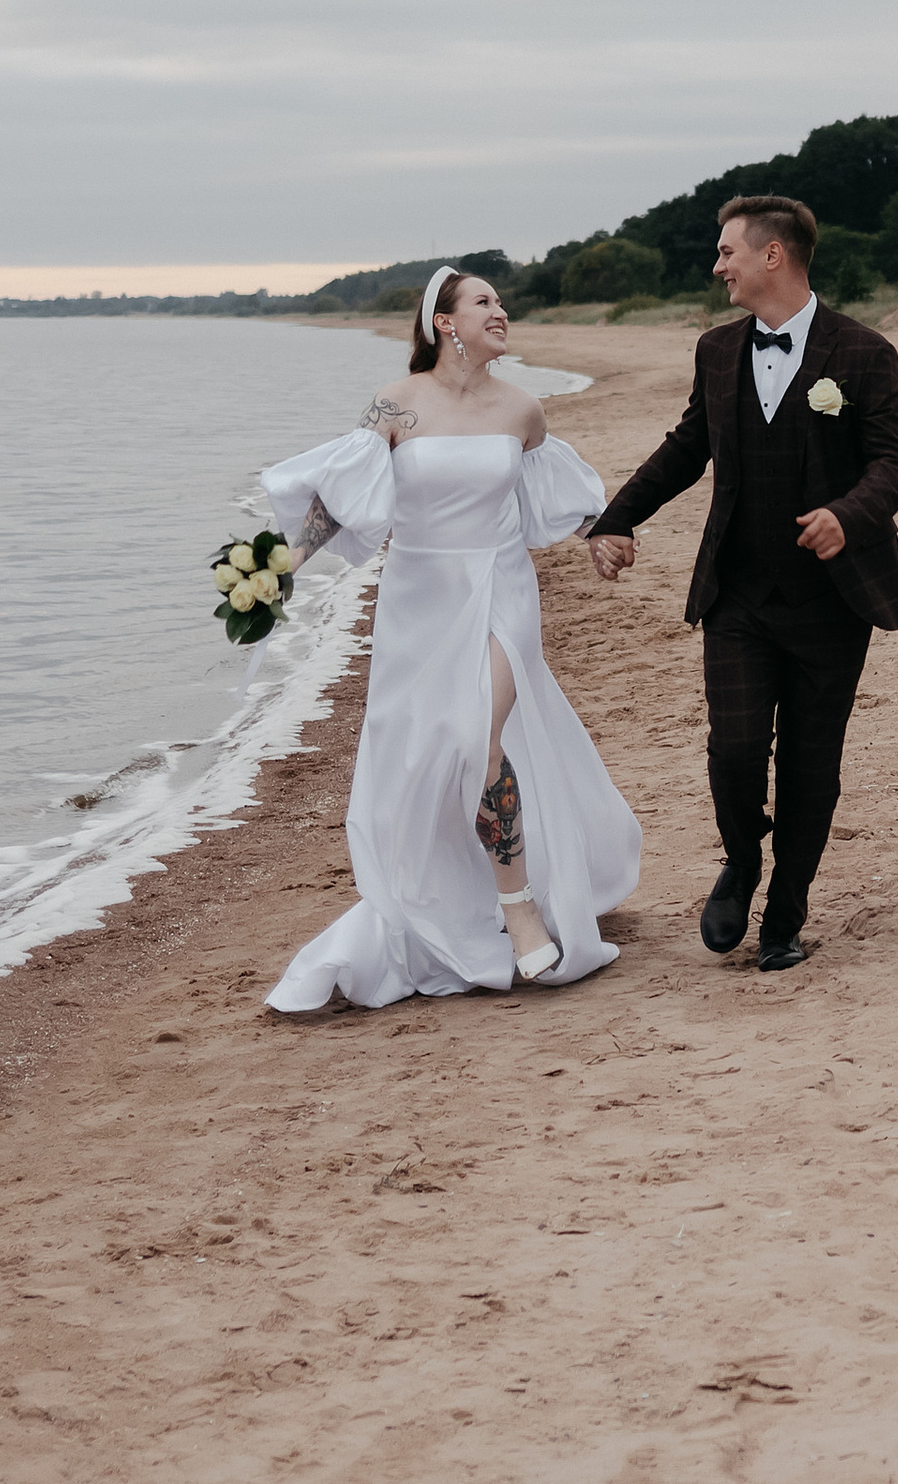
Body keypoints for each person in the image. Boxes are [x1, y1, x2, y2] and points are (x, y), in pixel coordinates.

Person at [258, 269, 641, 1012]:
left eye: (500, 301)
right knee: (434, 755)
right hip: (419, 600)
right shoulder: (396, 402)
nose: (502, 311)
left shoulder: (523, 409)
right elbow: (342, 499)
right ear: (444, 322)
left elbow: (554, 498)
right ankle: (455, 895)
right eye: (484, 302)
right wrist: (282, 566)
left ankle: (519, 907)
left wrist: (603, 536)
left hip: (501, 590)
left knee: (476, 738)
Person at [586, 195, 898, 973]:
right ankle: (741, 857)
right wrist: (615, 519)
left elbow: (895, 463)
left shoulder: (865, 353)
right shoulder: (716, 351)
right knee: (734, 751)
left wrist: (848, 513)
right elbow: (685, 449)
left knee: (812, 765)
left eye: (728, 251)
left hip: (833, 603)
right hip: (736, 593)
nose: (717, 265)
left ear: (774, 256)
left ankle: (787, 916)